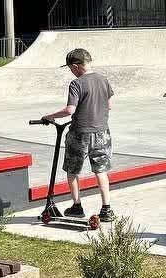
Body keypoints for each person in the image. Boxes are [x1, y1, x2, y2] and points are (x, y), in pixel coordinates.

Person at [41, 48, 116, 222]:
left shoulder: (77, 84)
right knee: (101, 170)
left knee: (72, 170)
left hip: (80, 133)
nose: (71, 72)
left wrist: (49, 116)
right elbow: (109, 105)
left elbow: (69, 110)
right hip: (102, 133)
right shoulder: (103, 80)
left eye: (70, 68)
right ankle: (106, 209)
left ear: (75, 66)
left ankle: (77, 206)